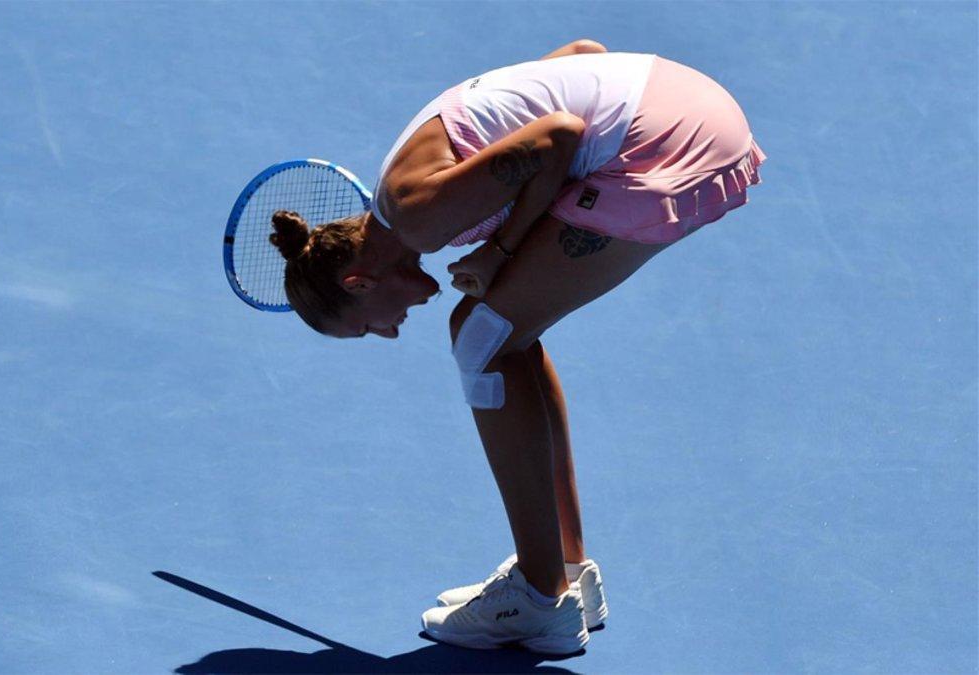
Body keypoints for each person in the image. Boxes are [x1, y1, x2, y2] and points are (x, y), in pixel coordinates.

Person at [267, 39, 766, 654]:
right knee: (506, 328)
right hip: (688, 102)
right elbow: (581, 54)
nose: (390, 331)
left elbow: (558, 136)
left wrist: (500, 248)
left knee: (479, 336)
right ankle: (564, 569)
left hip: (670, 145)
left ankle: (538, 598)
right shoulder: (401, 183)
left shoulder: (419, 216)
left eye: (369, 325)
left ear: (358, 282)